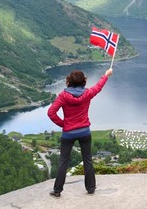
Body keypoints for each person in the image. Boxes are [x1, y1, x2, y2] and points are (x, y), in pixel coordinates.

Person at [47, 68, 113, 197]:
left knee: (63, 161)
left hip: (68, 133)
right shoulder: (87, 94)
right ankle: (91, 188)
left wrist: (64, 124)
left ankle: (57, 190)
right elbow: (98, 87)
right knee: (87, 159)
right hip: (84, 132)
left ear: (68, 82)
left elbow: (51, 113)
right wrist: (106, 75)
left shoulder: (63, 96)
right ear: (84, 81)